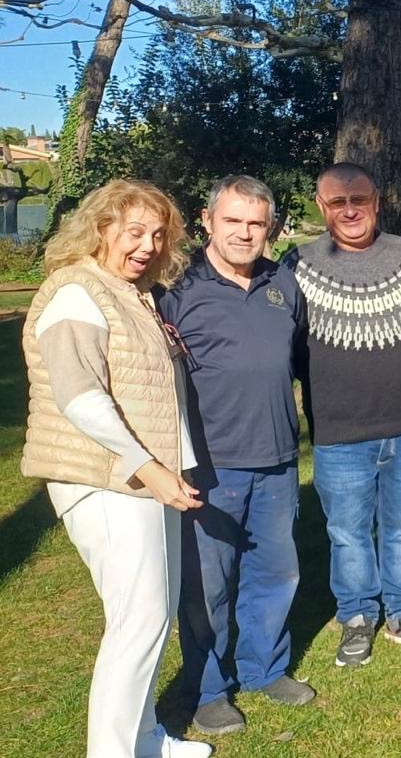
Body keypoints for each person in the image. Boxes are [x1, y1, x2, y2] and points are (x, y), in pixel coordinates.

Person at [21, 179, 213, 757]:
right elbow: (80, 397)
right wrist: (148, 467)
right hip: (104, 480)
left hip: (142, 476)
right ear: (101, 228)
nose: (148, 246)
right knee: (138, 620)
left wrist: (164, 467)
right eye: (134, 232)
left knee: (152, 618)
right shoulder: (76, 292)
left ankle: (145, 739)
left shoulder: (130, 293)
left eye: (158, 235)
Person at [160, 176, 314, 735]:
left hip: (276, 458)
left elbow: (298, 360)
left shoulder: (282, 283)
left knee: (276, 572)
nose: (245, 233)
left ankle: (264, 668)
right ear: (208, 220)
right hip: (210, 463)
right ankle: (208, 690)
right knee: (209, 584)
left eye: (256, 223)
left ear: (270, 227)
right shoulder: (177, 288)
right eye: (233, 220)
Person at [283, 162, 401, 667]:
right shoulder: (298, 265)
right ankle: (356, 615)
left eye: (359, 200)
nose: (350, 210)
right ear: (321, 207)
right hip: (339, 430)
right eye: (338, 202)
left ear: (377, 201)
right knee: (347, 532)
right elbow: (288, 341)